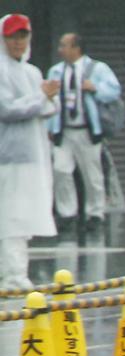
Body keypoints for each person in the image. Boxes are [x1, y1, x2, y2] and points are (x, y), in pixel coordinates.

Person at [0, 14, 58, 289]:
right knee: (11, 216)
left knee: (23, 218)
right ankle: (12, 275)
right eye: (13, 36)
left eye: (23, 36)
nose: (18, 42)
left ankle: (14, 272)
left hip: (33, 158)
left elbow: (45, 109)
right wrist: (41, 97)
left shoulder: (32, 72)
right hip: (8, 158)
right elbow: (7, 109)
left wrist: (47, 97)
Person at [47, 33, 121, 231]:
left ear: (76, 48)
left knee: (92, 173)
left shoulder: (96, 69)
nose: (60, 49)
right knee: (61, 170)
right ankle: (67, 213)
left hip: (87, 130)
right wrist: (50, 127)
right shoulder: (56, 71)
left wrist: (95, 88)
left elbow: (114, 90)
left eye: (64, 45)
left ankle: (95, 213)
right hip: (64, 130)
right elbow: (49, 99)